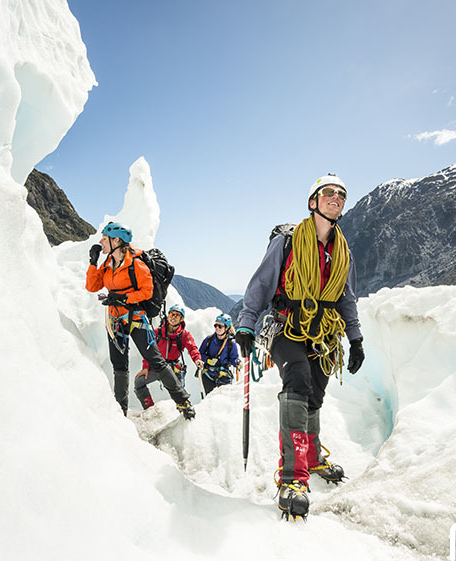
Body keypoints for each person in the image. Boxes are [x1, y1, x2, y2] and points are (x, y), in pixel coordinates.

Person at [235, 174, 365, 519]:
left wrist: (355, 339)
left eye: (341, 194)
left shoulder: (342, 251)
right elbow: (261, 283)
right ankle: (292, 478)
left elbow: (346, 298)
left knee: (315, 393)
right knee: (299, 381)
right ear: (313, 202)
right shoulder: (289, 242)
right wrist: (247, 323)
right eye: (328, 193)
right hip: (285, 327)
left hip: (323, 332)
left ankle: (311, 456)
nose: (336, 197)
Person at [85, 222, 195, 419]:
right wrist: (93, 263)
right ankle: (121, 412)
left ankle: (183, 401)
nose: (101, 241)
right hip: (115, 319)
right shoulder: (109, 262)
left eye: (104, 238)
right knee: (119, 364)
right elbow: (92, 286)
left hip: (136, 317)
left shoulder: (135, 263)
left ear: (116, 240)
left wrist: (124, 298)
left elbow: (147, 291)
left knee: (155, 360)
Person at [134, 304, 203, 409]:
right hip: (158, 366)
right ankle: (149, 408)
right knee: (139, 382)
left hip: (173, 367)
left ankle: (184, 411)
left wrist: (197, 359)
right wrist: (145, 368)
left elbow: (192, 348)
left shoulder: (184, 335)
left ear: (181, 319)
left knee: (180, 393)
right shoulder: (157, 332)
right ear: (168, 315)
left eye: (177, 315)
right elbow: (148, 350)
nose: (173, 317)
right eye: (172, 314)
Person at [198, 314, 240, 396]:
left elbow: (233, 358)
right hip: (208, 374)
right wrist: (208, 360)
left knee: (222, 399)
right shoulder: (209, 340)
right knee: (209, 398)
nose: (217, 328)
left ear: (227, 328)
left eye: (220, 326)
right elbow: (200, 354)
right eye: (215, 325)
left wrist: (237, 363)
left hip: (223, 374)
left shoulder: (231, 343)